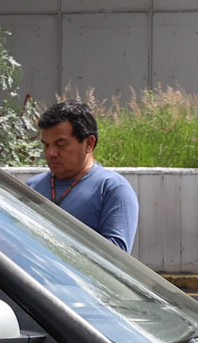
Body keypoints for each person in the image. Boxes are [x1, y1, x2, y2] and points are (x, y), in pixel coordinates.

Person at [26, 100, 138, 250]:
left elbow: (116, 258)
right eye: (46, 145)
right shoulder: (31, 188)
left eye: (61, 145)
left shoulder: (111, 189)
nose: (51, 153)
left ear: (89, 143)